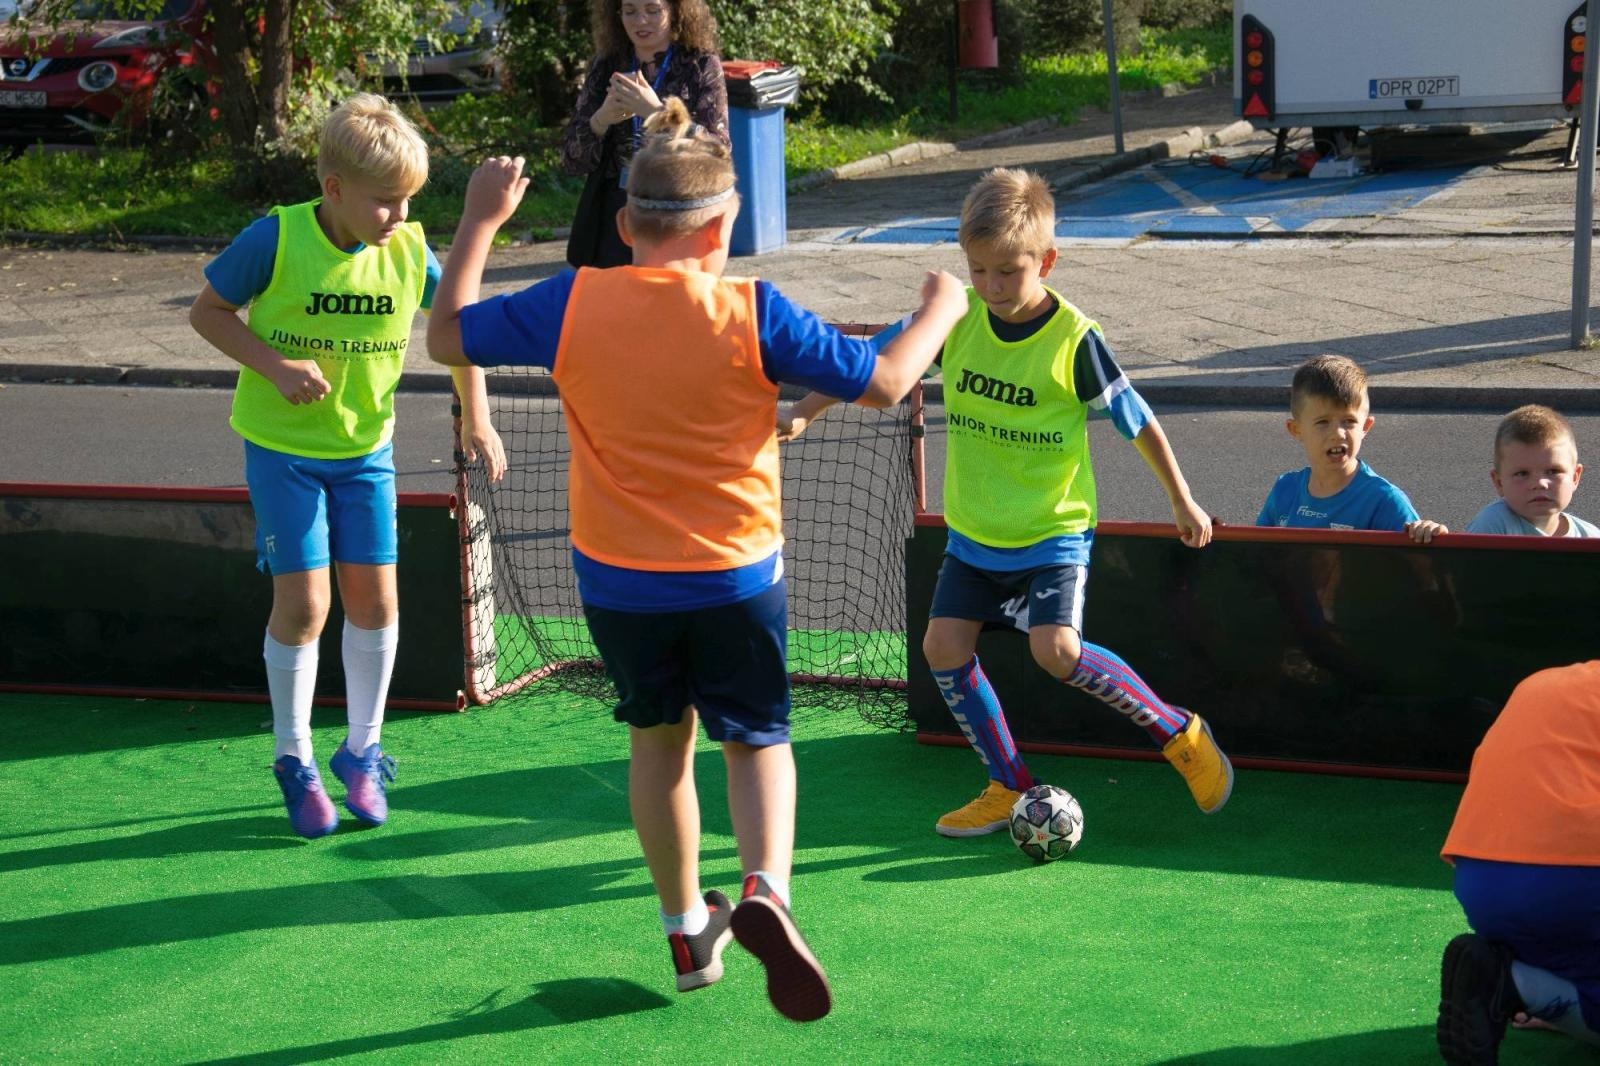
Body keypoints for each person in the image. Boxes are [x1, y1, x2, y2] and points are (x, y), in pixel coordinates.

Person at [427, 97, 967, 1020]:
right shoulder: (754, 312)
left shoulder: (572, 300)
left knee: (658, 745)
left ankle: (686, 933)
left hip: (618, 586)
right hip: (737, 577)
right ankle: (766, 891)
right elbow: (884, 381)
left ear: (627, 224)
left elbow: (445, 338)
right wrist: (941, 308)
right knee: (757, 741)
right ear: (724, 226)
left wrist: (479, 220)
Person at [785, 166, 1233, 834]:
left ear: (1046, 261)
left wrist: (1182, 499)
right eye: (978, 270)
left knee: (1056, 651)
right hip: (974, 535)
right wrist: (805, 412)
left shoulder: (1075, 341)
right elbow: (869, 357)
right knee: (942, 648)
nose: (991, 288)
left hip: (1052, 533)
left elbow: (1136, 418)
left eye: (1007, 272)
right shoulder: (958, 317)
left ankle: (1180, 733)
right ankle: (1009, 786)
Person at [188, 93, 506, 840]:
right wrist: (272, 365)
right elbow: (207, 313)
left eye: (408, 201)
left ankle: (362, 751)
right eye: (385, 201)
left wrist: (478, 418)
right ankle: (293, 758)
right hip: (284, 453)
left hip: (367, 453)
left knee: (377, 605)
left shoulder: (404, 250)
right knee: (305, 608)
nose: (397, 215)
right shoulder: (276, 238)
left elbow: (459, 328)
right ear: (334, 189)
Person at [1437, 661, 1600, 1065]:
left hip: (1484, 882)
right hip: (1580, 886)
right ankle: (1540, 991)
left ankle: (1521, 984)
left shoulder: (1541, 683)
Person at [561, 0, 728, 267]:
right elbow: (572, 160)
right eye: (630, 11)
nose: (640, 21)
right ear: (617, 15)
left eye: (652, 10)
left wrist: (657, 112)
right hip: (616, 211)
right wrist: (601, 120)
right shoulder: (606, 65)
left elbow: (717, 152)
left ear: (675, 11)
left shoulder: (700, 64)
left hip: (678, 209)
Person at [1256, 354, 1447, 541]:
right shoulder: (1285, 489)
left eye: (1349, 421)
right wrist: (1226, 540)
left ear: (1365, 427)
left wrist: (1428, 533)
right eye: (1322, 422)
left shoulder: (1383, 500)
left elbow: (1421, 565)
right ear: (1296, 429)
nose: (1338, 433)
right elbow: (1253, 557)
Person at [1465, 404, 1597, 538]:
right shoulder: (1492, 524)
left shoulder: (1591, 538)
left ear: (1575, 477)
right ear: (1499, 482)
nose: (1539, 483)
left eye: (1553, 471)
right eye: (1522, 473)